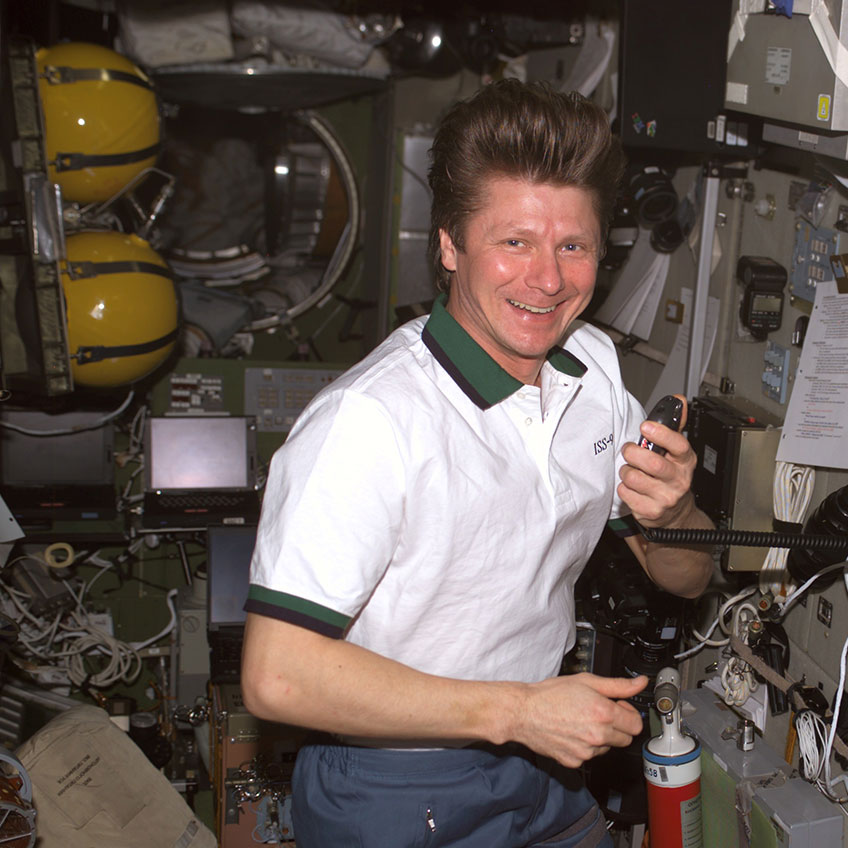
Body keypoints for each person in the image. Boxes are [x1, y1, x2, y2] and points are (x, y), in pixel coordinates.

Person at [239, 78, 715, 848]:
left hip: (539, 762)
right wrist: (520, 710)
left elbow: (683, 576)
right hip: (392, 781)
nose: (548, 279)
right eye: (514, 242)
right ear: (451, 245)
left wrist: (678, 517)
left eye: (573, 246)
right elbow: (276, 675)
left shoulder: (593, 369)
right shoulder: (369, 423)